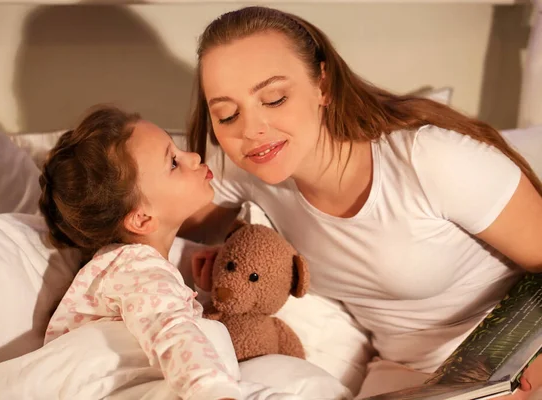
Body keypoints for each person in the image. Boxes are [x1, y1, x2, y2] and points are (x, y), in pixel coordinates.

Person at [180, 6, 542, 399]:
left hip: (513, 358)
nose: (251, 130)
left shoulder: (429, 160)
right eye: (228, 114)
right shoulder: (251, 169)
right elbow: (152, 216)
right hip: (404, 377)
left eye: (274, 98)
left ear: (324, 84)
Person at [39, 106, 241, 400]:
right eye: (174, 162)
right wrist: (213, 391)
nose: (194, 157)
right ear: (141, 219)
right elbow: (171, 331)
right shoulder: (135, 266)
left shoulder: (126, 269)